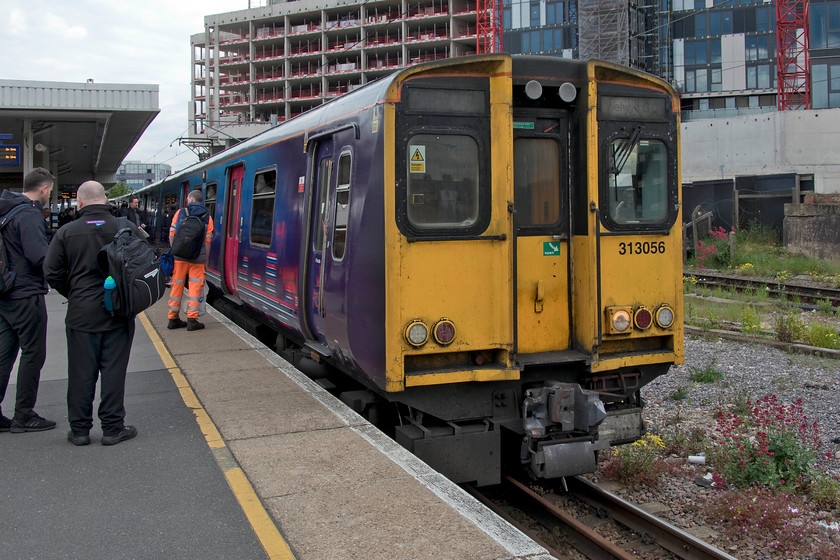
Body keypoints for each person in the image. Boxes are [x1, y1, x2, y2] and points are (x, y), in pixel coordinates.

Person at [44, 181, 141, 446]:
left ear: (80, 202)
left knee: (80, 372)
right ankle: (112, 428)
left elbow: (51, 272)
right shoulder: (125, 227)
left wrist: (74, 293)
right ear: (106, 200)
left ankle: (79, 431)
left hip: (81, 314)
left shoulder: (66, 232)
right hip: (118, 312)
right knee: (113, 371)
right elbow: (143, 265)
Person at [0, 167, 57, 433]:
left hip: (4, 293)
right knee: (33, 354)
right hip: (26, 294)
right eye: (50, 191)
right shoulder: (28, 214)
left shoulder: (6, 210)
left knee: (4, 356)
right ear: (44, 189)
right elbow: (39, 257)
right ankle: (24, 414)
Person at [167, 190, 213, 331]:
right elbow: (207, 242)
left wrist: (175, 251)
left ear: (191, 199)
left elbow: (172, 234)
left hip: (179, 257)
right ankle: (192, 319)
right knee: (195, 287)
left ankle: (173, 318)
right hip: (198, 259)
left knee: (177, 285)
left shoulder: (180, 213)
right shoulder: (207, 217)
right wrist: (206, 261)